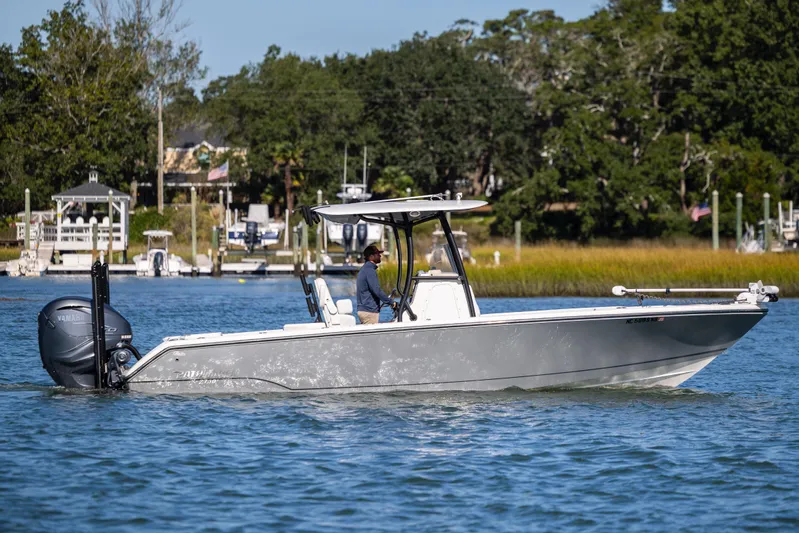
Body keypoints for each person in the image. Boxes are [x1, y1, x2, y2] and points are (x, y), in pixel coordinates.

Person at [356, 244, 396, 324]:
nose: (380, 256)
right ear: (371, 257)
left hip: (364, 310)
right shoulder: (370, 271)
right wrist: (392, 302)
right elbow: (377, 290)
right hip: (369, 312)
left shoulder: (364, 269)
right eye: (377, 254)